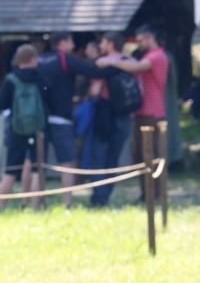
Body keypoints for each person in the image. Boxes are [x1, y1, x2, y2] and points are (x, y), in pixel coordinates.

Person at [38, 31, 115, 208]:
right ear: (62, 43)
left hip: (40, 118)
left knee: (37, 163)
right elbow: (92, 70)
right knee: (66, 162)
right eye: (71, 42)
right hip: (61, 118)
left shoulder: (40, 59)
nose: (73, 46)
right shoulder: (65, 59)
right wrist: (115, 65)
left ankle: (36, 203)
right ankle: (67, 203)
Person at [98, 23, 169, 199]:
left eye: (141, 40)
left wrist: (110, 60)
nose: (138, 44)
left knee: (151, 154)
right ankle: (146, 193)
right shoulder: (148, 55)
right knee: (139, 155)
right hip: (141, 112)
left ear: (150, 38)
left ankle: (154, 193)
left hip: (152, 113)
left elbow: (135, 67)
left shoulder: (156, 56)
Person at [88, 32, 133, 207]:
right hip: (125, 114)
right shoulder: (130, 62)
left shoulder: (102, 63)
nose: (100, 46)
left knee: (98, 156)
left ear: (111, 44)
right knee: (113, 158)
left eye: (103, 42)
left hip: (105, 114)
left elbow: (95, 90)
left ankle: (99, 196)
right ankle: (106, 193)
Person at [0, 44, 46, 211]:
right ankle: (35, 208)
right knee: (36, 170)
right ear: (32, 59)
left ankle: (1, 207)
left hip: (16, 129)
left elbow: (2, 104)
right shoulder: (39, 77)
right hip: (37, 129)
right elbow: (47, 100)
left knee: (10, 171)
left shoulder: (11, 79)